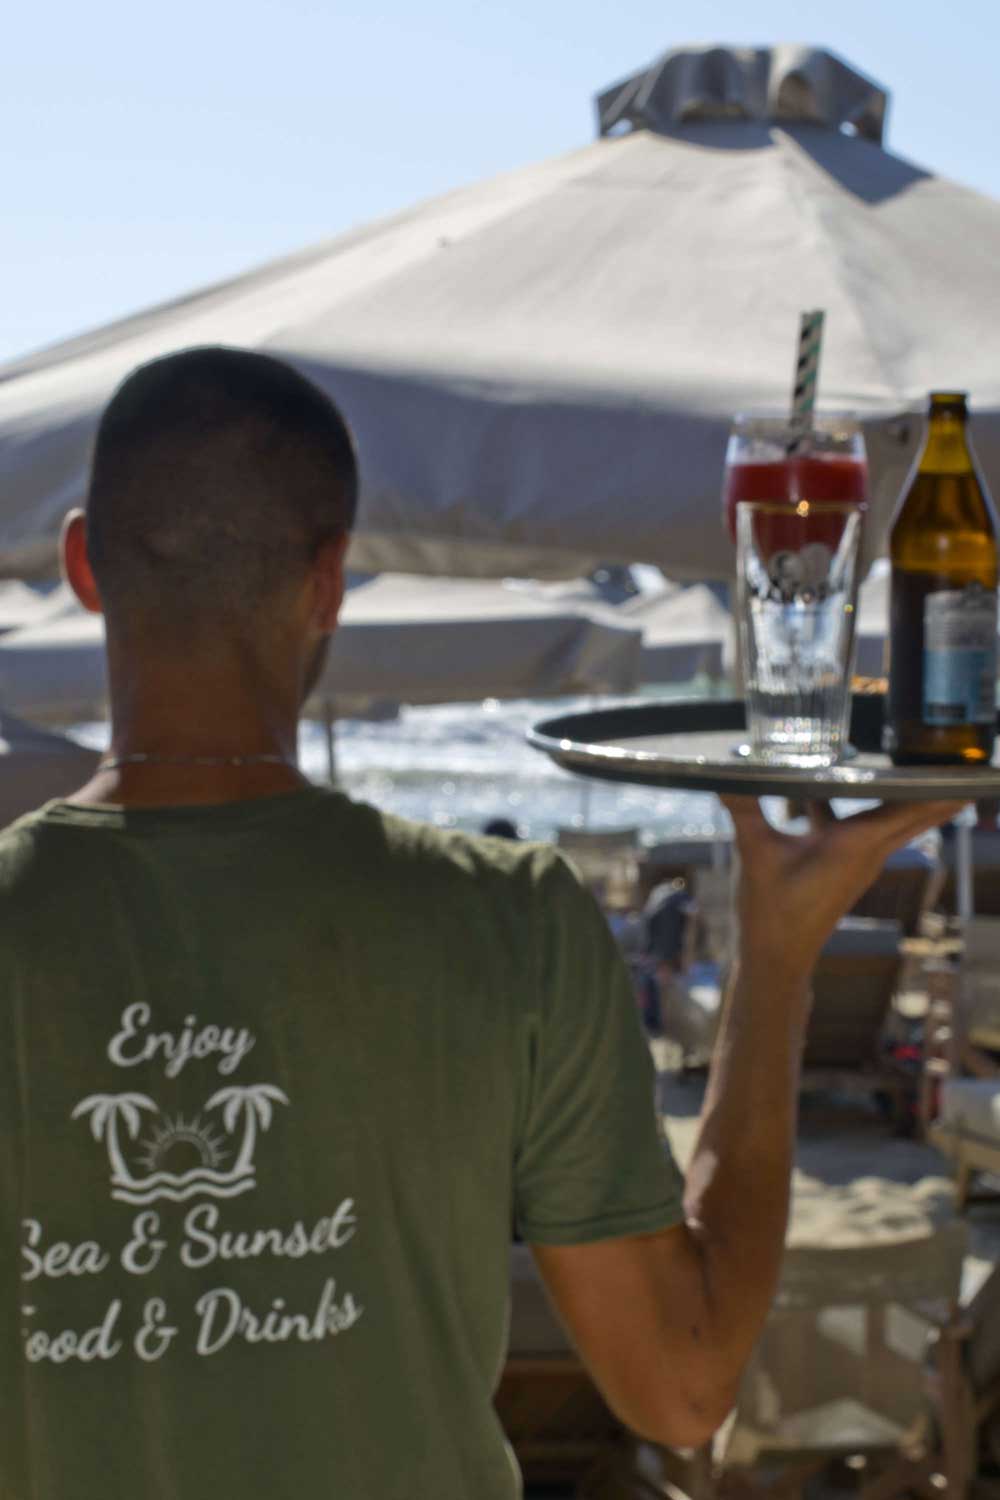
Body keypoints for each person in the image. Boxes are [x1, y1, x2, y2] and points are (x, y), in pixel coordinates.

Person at [0, 346, 964, 1500]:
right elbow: (682, 1385)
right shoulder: (510, 920)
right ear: (329, 581)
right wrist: (776, 958)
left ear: (83, 565)